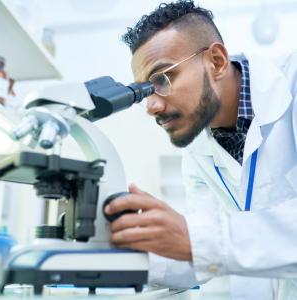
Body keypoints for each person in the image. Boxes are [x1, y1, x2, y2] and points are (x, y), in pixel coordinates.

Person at [104, 1, 297, 299]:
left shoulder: (292, 84)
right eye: (144, 91)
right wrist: (138, 251)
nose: (151, 106)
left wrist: (192, 238)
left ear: (217, 61)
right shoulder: (197, 149)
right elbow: (204, 259)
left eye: (162, 79)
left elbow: (204, 242)